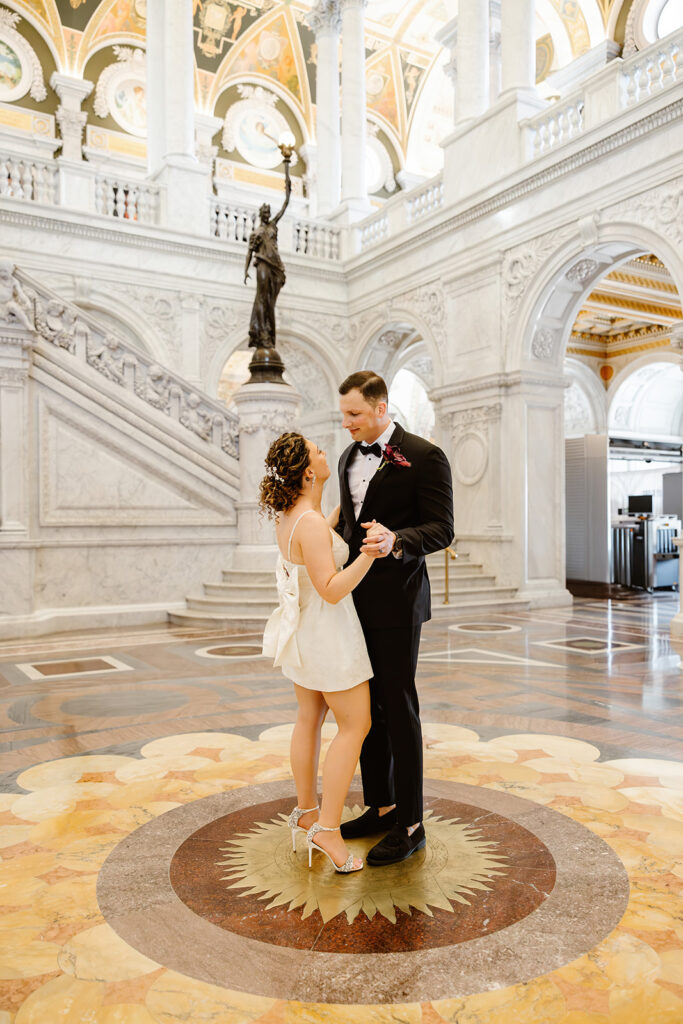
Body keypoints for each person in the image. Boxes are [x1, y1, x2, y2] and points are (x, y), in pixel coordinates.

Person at [336, 370, 454, 865]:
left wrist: (397, 541)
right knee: (368, 710)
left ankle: (410, 822)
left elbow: (442, 529)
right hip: (352, 599)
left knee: (399, 708)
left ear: (381, 408)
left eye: (355, 415)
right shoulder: (347, 456)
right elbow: (346, 523)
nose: (347, 424)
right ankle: (379, 805)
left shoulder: (426, 456)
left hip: (399, 601)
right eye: (343, 415)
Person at [260, 432, 381, 873]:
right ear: (309, 471)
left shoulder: (295, 517)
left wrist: (334, 516)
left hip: (305, 636)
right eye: (317, 450)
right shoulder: (309, 523)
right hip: (330, 636)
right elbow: (330, 589)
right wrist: (367, 555)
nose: (326, 452)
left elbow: (314, 546)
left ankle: (307, 811)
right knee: (356, 724)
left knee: (309, 720)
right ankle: (329, 829)